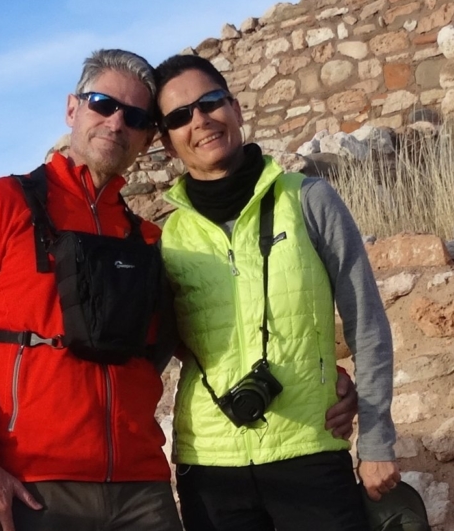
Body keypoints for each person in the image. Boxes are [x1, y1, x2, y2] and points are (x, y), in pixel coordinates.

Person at [0, 49, 358, 531]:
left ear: (149, 139)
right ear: (72, 109)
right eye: (102, 104)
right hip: (34, 484)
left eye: (133, 116)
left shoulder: (148, 239)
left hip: (141, 492)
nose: (116, 122)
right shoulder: (1, 205)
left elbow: (201, 340)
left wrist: (319, 374)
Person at [154, 53, 399, 531]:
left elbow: (365, 321)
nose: (200, 120)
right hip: (209, 468)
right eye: (180, 117)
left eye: (210, 103)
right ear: (166, 143)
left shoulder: (308, 199)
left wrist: (375, 440)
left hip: (308, 450)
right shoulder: (166, 239)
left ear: (237, 108)